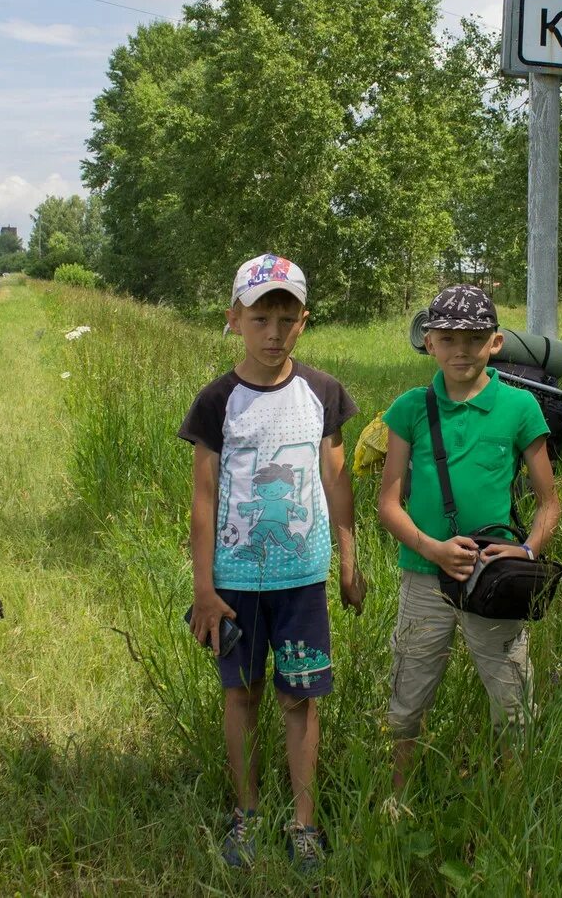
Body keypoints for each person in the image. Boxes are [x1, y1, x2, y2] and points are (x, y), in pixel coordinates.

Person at [179, 253, 366, 870]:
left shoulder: (322, 393)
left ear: (304, 322)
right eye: (261, 317)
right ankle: (247, 814)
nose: (274, 332)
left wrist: (346, 560)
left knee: (300, 698)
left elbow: (336, 481)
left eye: (287, 318)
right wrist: (204, 589)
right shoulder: (217, 401)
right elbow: (204, 501)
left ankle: (304, 823)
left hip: (303, 580)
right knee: (242, 695)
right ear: (235, 319)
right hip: (234, 583)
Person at [376, 284, 561, 792]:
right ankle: (397, 798)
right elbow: (388, 505)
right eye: (449, 337)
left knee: (513, 702)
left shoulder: (520, 408)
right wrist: (431, 549)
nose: (462, 350)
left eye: (475, 338)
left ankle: (515, 804)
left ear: (495, 343)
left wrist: (526, 552)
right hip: (423, 578)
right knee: (407, 700)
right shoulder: (410, 409)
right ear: (429, 341)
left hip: (494, 581)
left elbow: (550, 503)